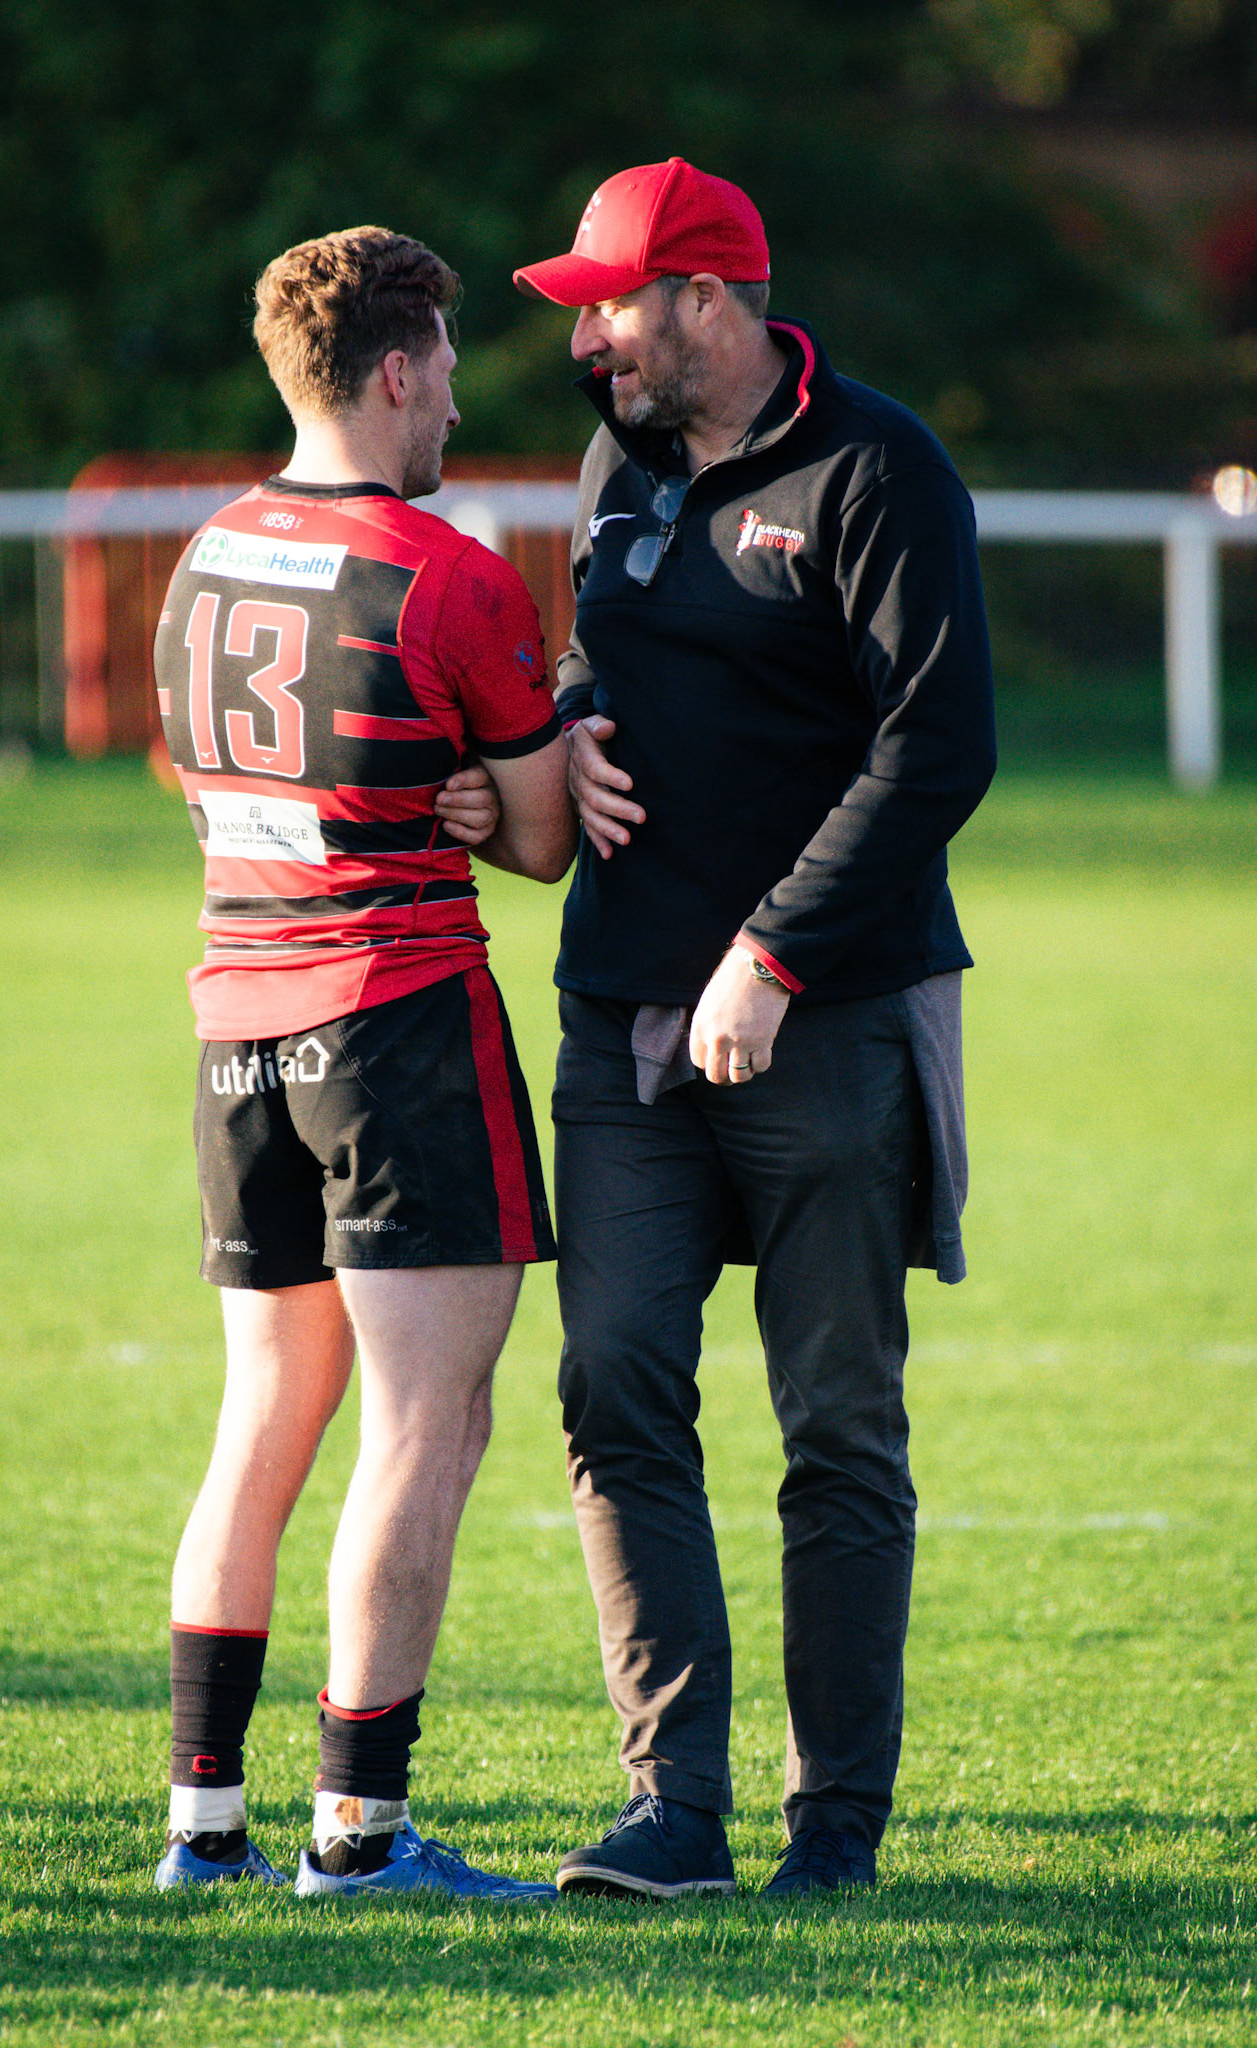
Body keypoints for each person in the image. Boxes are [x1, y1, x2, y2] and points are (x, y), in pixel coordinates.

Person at [511, 158, 997, 1899]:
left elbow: (936, 749)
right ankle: (674, 1813)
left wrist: (774, 954)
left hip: (829, 1021)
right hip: (616, 1017)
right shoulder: (611, 456)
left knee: (835, 1429)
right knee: (614, 1382)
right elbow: (600, 657)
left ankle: (831, 1834)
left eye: (608, 305)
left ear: (705, 296)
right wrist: (566, 728)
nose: (587, 340)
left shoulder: (879, 466)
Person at [150, 226, 575, 1901]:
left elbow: (203, 797)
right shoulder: (447, 572)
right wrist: (474, 796)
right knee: (426, 1422)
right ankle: (361, 1833)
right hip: (395, 1030)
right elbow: (541, 841)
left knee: (261, 1421)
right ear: (397, 370)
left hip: (234, 1028)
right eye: (452, 370)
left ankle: (203, 1829)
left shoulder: (202, 556)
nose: (458, 403)